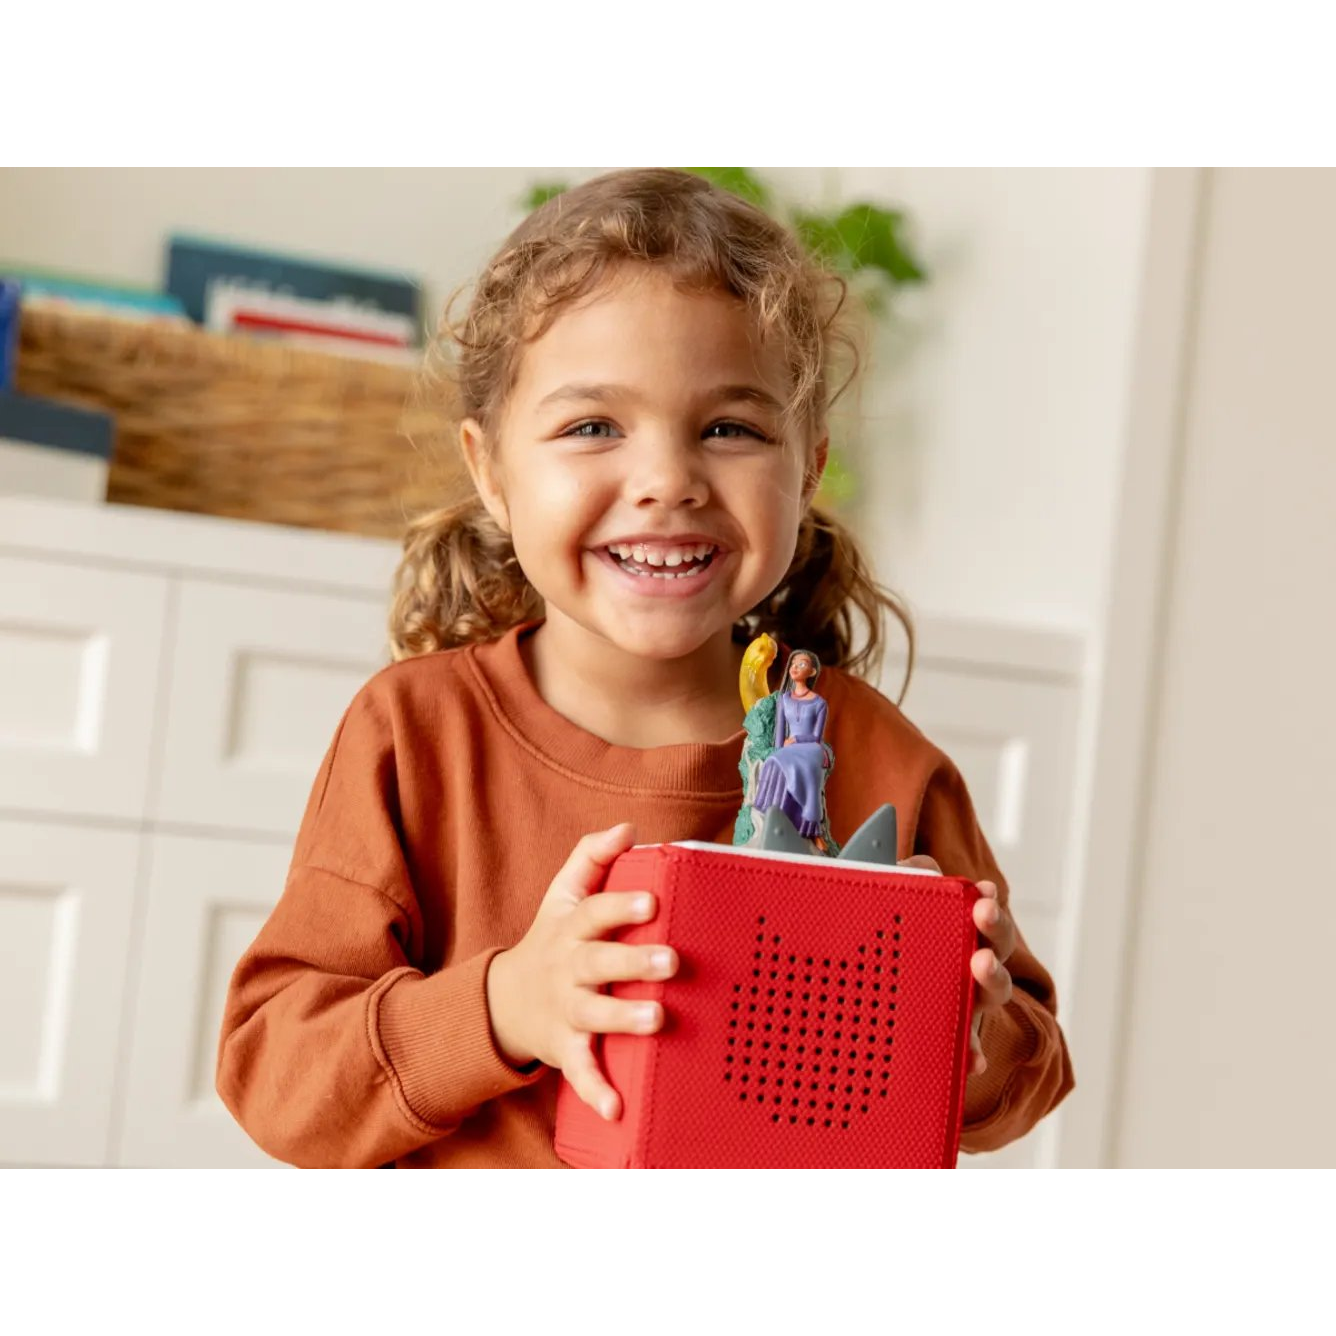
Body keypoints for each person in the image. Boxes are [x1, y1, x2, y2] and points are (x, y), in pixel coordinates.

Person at [215, 168, 1074, 1168]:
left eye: (730, 429)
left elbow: (1027, 1072)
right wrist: (506, 1005)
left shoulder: (880, 757)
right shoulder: (414, 734)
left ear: (806, 468)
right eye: (592, 427)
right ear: (491, 470)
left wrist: (965, 1030)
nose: (668, 480)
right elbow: (278, 1076)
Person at [751, 650, 834, 850]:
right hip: (788, 747)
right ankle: (775, 817)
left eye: (802, 664)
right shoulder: (784, 699)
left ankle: (812, 829)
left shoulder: (819, 703)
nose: (795, 667)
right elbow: (780, 729)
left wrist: (796, 739)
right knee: (774, 762)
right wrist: (778, 750)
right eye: (794, 663)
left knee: (808, 771)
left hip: (810, 747)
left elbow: (817, 736)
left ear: (812, 672)